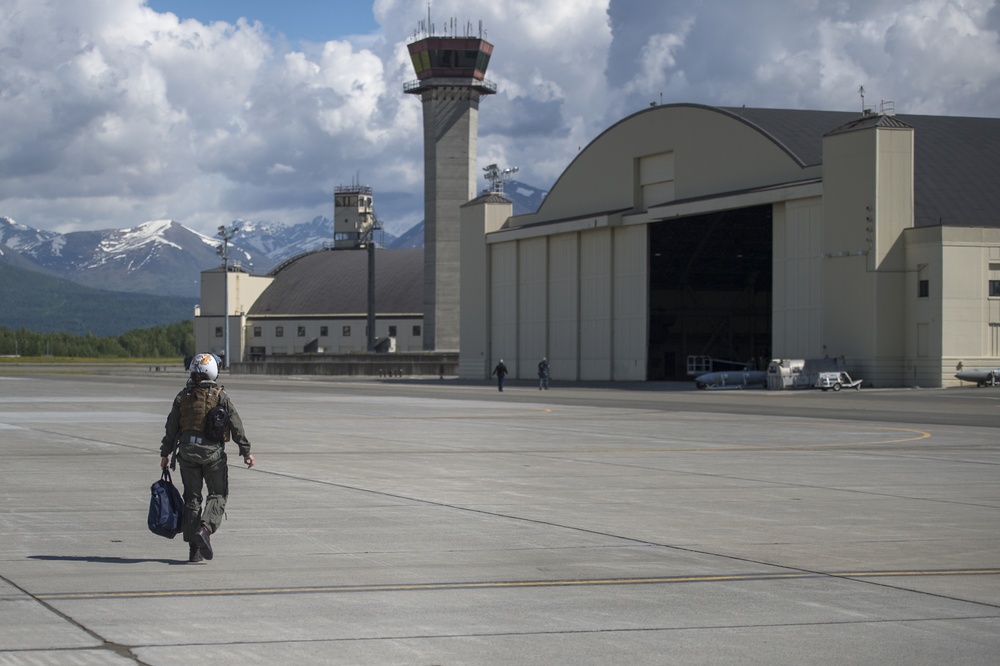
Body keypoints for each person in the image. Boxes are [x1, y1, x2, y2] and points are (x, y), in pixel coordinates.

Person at [160, 353, 254, 563]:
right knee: (218, 494)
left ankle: (195, 551)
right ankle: (205, 529)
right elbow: (235, 425)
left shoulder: (182, 396)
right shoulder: (220, 396)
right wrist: (246, 451)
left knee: (192, 500)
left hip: (186, 454)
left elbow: (171, 427)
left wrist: (165, 454)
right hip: (213, 455)